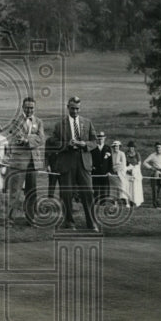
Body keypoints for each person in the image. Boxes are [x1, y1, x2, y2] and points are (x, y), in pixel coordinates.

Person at [47, 96, 99, 230]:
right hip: (67, 161)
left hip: (84, 162)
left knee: (88, 192)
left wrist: (84, 144)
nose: (75, 111)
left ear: (80, 108)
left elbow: (95, 142)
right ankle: (69, 222)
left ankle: (91, 223)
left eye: (77, 109)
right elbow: (53, 142)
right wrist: (66, 145)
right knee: (67, 193)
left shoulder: (87, 123)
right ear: (67, 108)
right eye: (72, 108)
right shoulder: (60, 125)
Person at [3, 97, 46, 224]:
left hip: (34, 161)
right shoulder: (16, 121)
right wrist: (32, 138)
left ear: (34, 108)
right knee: (15, 191)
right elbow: (17, 137)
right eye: (27, 107)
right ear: (23, 107)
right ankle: (10, 219)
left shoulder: (39, 121)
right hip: (18, 161)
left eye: (32, 107)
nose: (29, 110)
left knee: (32, 191)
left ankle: (31, 218)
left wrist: (28, 140)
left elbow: (42, 139)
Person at [90, 132, 114, 204]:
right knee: (96, 187)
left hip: (105, 172)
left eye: (102, 139)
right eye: (99, 139)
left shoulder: (107, 148)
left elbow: (110, 161)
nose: (100, 140)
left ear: (104, 139)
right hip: (96, 171)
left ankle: (103, 202)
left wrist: (109, 171)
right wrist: (92, 167)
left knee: (104, 187)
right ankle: (96, 201)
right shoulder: (94, 149)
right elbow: (91, 159)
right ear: (97, 140)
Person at [123, 141, 144, 208]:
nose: (131, 148)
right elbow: (124, 163)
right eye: (130, 147)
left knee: (135, 188)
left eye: (132, 147)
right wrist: (128, 169)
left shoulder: (137, 154)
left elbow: (139, 163)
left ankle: (135, 202)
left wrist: (135, 170)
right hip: (127, 173)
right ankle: (127, 203)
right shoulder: (125, 154)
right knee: (127, 188)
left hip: (135, 173)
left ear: (134, 148)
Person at [109, 140, 127, 204]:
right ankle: (115, 202)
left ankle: (125, 202)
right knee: (114, 188)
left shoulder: (122, 154)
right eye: (114, 146)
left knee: (122, 187)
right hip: (113, 174)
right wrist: (114, 168)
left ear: (119, 147)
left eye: (117, 146)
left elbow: (123, 165)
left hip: (120, 173)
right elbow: (111, 164)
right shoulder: (112, 154)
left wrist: (116, 167)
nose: (115, 147)